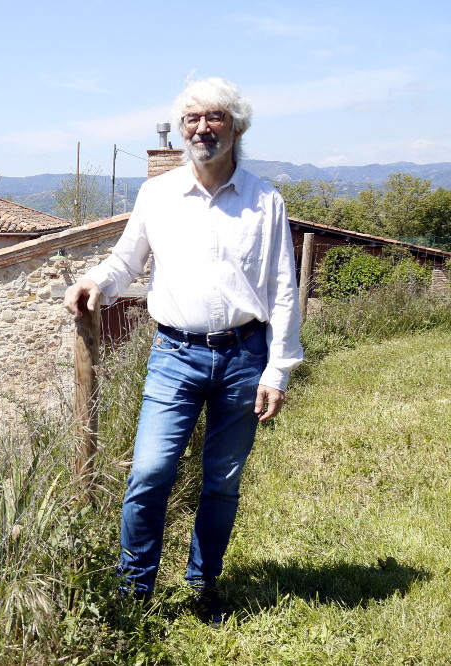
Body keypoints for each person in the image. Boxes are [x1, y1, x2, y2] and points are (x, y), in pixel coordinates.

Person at [63, 77, 303, 622]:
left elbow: (283, 290)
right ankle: (134, 591)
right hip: (175, 354)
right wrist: (95, 284)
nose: (201, 128)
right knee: (149, 472)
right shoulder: (158, 194)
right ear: (180, 130)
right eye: (191, 119)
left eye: (214, 117)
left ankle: (203, 585)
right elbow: (126, 261)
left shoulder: (266, 201)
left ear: (235, 126)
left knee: (221, 482)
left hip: (245, 355)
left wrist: (278, 369)